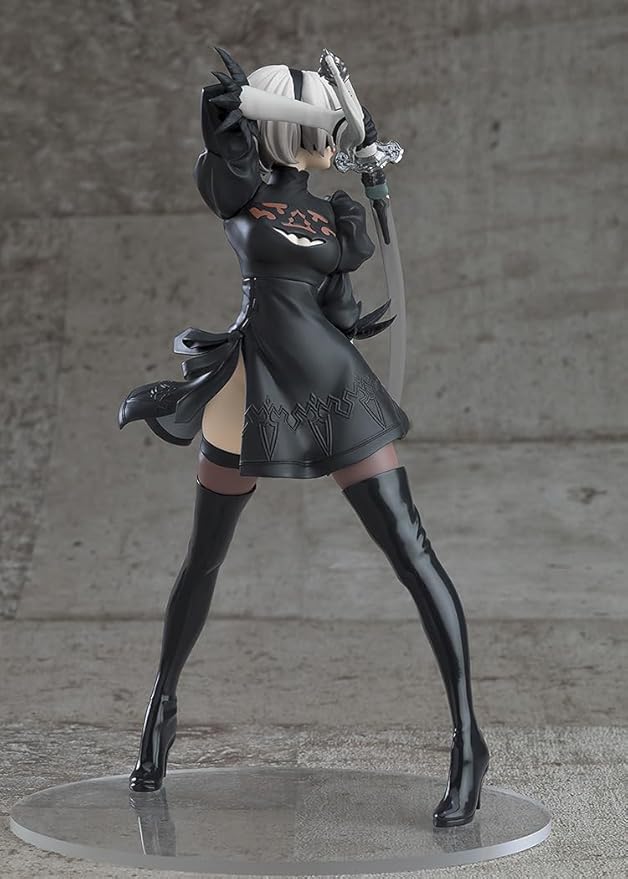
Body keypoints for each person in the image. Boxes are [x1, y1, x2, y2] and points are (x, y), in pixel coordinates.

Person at [118, 48, 489, 828]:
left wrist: (357, 299)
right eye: (319, 129)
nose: (331, 143)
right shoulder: (240, 189)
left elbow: (339, 309)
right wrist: (246, 106)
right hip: (252, 382)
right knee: (204, 555)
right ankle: (160, 709)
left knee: (413, 550)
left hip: (330, 383)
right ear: (287, 131)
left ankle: (469, 741)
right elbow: (221, 135)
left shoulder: (336, 215)